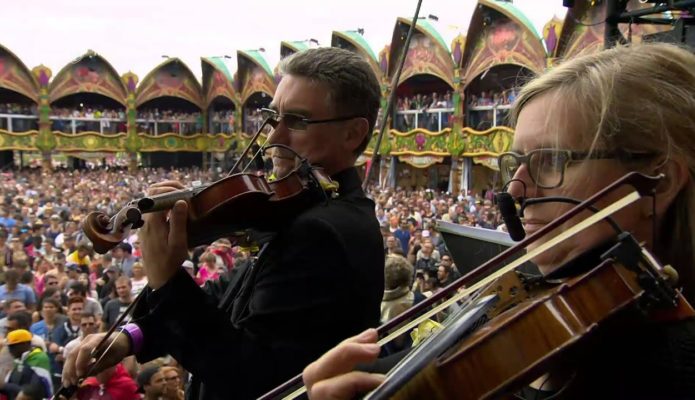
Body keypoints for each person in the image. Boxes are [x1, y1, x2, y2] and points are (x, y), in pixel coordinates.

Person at [301, 43, 695, 399]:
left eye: (552, 161)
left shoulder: (670, 369)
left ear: (660, 181)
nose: (517, 190)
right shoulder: (555, 311)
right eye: (517, 162)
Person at [64, 47, 385, 400]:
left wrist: (168, 281)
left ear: (353, 134)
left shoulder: (324, 230)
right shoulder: (302, 208)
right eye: (271, 117)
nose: (272, 139)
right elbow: (230, 295)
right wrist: (132, 336)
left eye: (297, 121)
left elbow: (248, 374)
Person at [0, 329, 52, 399]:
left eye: (12, 346)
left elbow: (35, 391)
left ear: (25, 344)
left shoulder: (39, 358)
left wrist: (4, 386)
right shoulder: (19, 360)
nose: (10, 350)